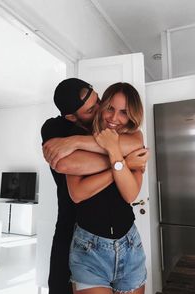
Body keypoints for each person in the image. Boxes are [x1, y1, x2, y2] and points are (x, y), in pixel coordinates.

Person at [41, 78, 148, 294]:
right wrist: (122, 162)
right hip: (77, 232)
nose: (102, 110)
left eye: (99, 100)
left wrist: (79, 144)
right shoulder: (59, 129)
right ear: (72, 117)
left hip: (127, 238)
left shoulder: (126, 132)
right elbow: (67, 170)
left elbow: (135, 148)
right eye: (93, 108)